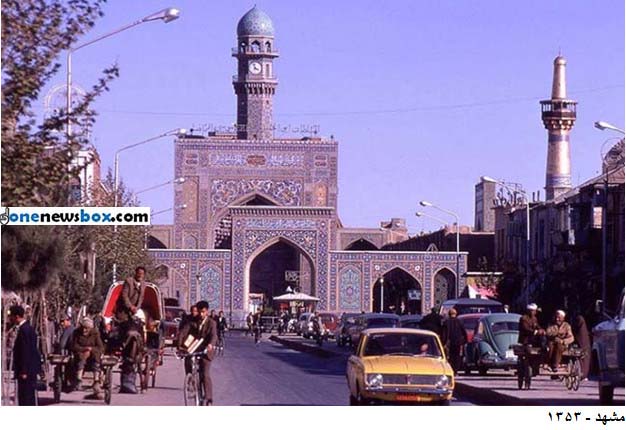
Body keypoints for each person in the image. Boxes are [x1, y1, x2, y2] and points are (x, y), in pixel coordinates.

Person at [9, 305, 42, 406]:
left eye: (11, 316)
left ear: (17, 316)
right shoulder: (28, 328)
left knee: (25, 397)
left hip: (26, 371)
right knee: (28, 396)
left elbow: (25, 352)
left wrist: (24, 370)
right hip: (29, 370)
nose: (10, 318)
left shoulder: (24, 330)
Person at [70, 317, 104, 397]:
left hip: (93, 354)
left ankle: (96, 380)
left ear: (90, 329)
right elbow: (73, 346)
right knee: (81, 356)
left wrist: (90, 349)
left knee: (96, 356)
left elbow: (100, 347)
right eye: (83, 328)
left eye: (87, 328)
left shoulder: (95, 333)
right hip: (81, 352)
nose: (84, 330)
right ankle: (78, 379)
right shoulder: (76, 332)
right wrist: (84, 349)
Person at [195, 301, 218, 406]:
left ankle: (209, 398)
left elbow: (214, 336)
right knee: (193, 369)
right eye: (200, 312)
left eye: (203, 312)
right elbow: (187, 332)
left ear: (207, 312)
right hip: (196, 349)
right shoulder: (195, 321)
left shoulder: (211, 323)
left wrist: (210, 345)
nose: (201, 314)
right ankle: (194, 387)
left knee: (205, 374)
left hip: (207, 352)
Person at [441, 308, 467, 375]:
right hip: (458, 342)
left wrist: (443, 343)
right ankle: (456, 370)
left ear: (449, 314)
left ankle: (451, 369)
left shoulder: (446, 322)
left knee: (450, 356)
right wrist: (464, 341)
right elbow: (464, 332)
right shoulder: (459, 322)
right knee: (457, 356)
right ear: (456, 314)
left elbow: (444, 333)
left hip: (449, 342)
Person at [573, 315, 591, 380]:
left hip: (582, 346)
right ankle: (583, 374)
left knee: (582, 359)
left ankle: (582, 374)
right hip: (584, 346)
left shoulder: (581, 331)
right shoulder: (583, 330)